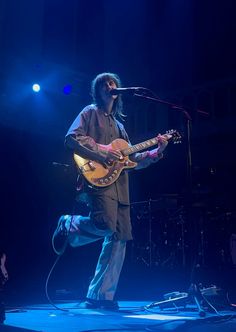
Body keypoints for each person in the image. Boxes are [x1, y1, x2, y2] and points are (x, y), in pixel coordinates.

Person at [53, 72, 168, 310]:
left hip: (120, 187)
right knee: (105, 224)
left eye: (112, 82)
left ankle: (100, 296)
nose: (109, 85)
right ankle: (69, 224)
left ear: (118, 91)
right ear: (98, 91)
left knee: (120, 238)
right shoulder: (89, 112)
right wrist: (102, 152)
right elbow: (71, 138)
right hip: (97, 180)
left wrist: (155, 152)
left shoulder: (120, 127)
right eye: (104, 83)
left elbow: (133, 159)